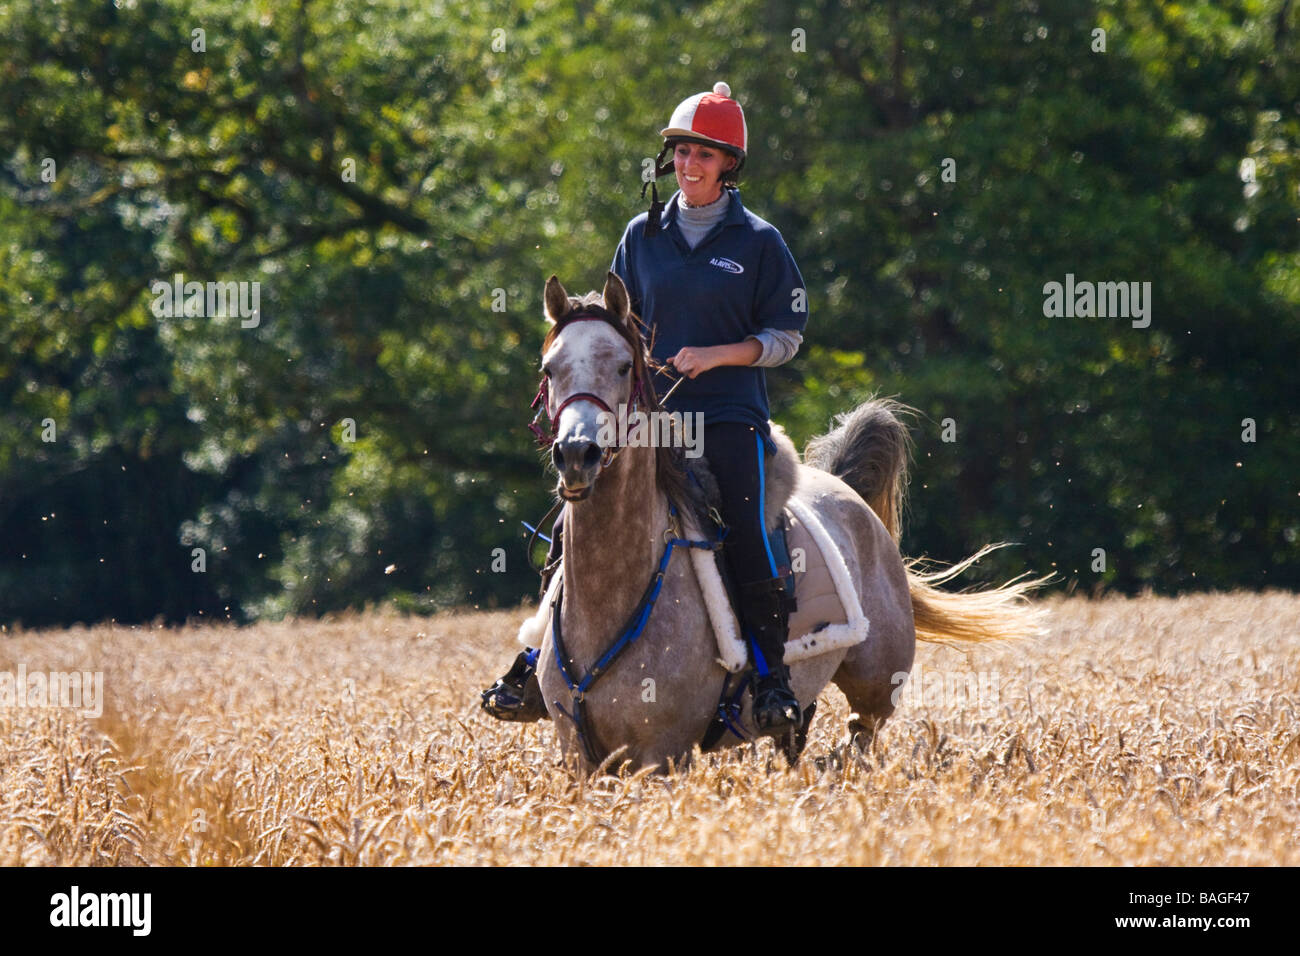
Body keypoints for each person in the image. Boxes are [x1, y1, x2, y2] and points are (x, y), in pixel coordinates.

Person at [482, 81, 809, 735]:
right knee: (573, 525)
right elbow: (613, 323)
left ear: (729, 166)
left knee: (746, 533)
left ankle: (771, 681)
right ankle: (532, 662)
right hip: (648, 418)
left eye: (705, 156)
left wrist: (715, 355)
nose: (690, 166)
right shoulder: (640, 237)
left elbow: (786, 338)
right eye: (683, 152)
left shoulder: (760, 243)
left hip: (725, 415)